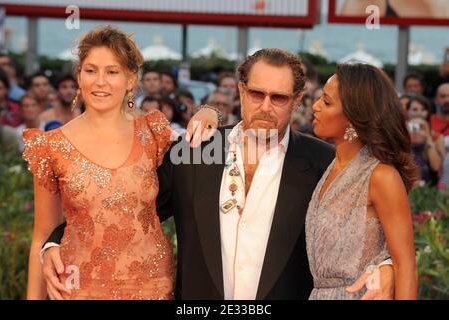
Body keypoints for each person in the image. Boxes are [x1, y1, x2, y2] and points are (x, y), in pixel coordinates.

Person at [42, 48, 395, 300]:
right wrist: (55, 240)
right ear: (241, 89)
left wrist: (387, 265)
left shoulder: (322, 162)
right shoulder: (195, 151)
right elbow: (130, 208)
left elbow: (364, 231)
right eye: (256, 94)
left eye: (279, 98)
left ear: (298, 98)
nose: (265, 107)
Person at [23, 26, 213, 300]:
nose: (100, 81)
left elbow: (211, 150)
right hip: (79, 288)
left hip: (153, 286)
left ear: (130, 79)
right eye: (91, 70)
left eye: (112, 72)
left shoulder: (154, 134)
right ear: (79, 76)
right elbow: (42, 236)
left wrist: (210, 112)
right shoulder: (51, 146)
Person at [308, 63, 418, 299]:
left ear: (353, 116)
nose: (315, 107)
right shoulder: (329, 167)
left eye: (327, 102)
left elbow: (406, 265)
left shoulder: (381, 176)